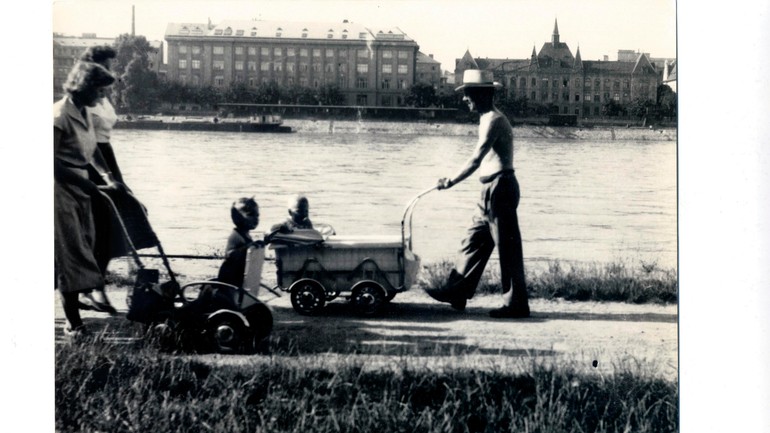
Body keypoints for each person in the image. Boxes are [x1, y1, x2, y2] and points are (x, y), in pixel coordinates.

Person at [428, 69, 531, 319]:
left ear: (482, 95)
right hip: (490, 190)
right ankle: (457, 292)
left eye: (468, 94)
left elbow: (477, 158)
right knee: (473, 240)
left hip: (500, 188)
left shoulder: (494, 119)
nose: (465, 98)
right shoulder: (485, 118)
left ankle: (516, 304)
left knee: (507, 248)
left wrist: (451, 181)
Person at [54, 61, 124, 336]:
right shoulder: (59, 115)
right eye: (99, 90)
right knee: (71, 255)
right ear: (84, 86)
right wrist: (87, 183)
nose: (103, 96)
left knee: (86, 248)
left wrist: (107, 177)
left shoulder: (85, 113)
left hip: (81, 188)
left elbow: (93, 149)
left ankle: (77, 310)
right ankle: (74, 324)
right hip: (59, 190)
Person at [217, 197, 262, 287]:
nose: (256, 218)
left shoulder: (246, 234)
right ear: (237, 218)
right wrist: (247, 247)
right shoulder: (236, 236)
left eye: (257, 215)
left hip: (238, 275)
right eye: (251, 215)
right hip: (229, 278)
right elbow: (230, 255)